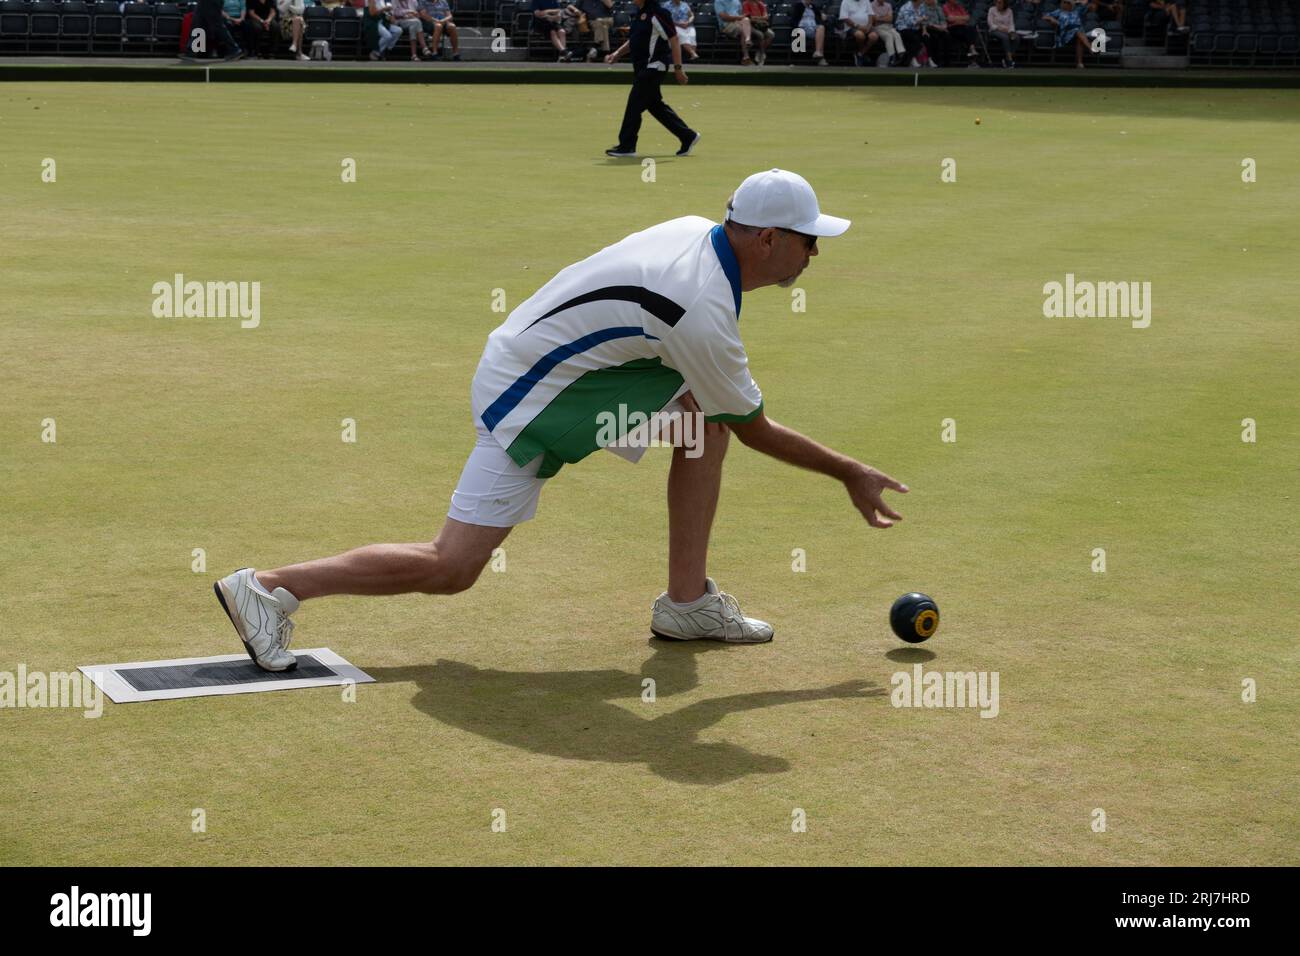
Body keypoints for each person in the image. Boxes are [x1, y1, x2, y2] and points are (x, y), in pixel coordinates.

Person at [214, 169, 908, 669]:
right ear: (764, 239)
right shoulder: (699, 305)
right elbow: (758, 426)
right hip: (534, 392)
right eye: (808, 240)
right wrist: (848, 470)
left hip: (570, 369)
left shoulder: (700, 237)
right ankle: (271, 589)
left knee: (704, 420)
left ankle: (686, 603)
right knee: (454, 566)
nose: (814, 253)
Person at [605, 0, 699, 157]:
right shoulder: (640, 14)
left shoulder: (659, 13)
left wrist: (678, 69)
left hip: (654, 66)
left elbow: (674, 39)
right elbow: (635, 39)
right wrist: (617, 54)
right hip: (643, 68)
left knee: (634, 104)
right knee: (655, 106)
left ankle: (627, 146)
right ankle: (688, 136)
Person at [1043, 0, 1090, 68]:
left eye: (1068, 2)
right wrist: (1051, 19)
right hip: (1064, 34)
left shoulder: (1077, 11)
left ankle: (1080, 63)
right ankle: (1090, 47)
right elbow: (1044, 16)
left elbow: (1086, 3)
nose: (1065, 4)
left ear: (1072, 4)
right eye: (1064, 2)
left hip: (1076, 35)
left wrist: (1078, 2)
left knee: (1079, 37)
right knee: (1077, 30)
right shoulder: (1059, 11)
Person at [714, 0, 758, 65]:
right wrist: (739, 18)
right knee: (745, 30)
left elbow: (741, 14)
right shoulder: (718, 1)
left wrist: (742, 18)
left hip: (738, 22)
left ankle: (747, 42)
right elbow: (724, 17)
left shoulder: (737, 1)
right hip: (727, 25)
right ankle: (746, 57)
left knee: (746, 20)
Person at [838, 0, 876, 66]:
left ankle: (860, 54)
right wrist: (858, 26)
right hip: (851, 27)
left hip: (867, 26)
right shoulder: (845, 1)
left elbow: (870, 15)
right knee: (860, 35)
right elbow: (845, 18)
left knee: (874, 36)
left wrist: (869, 26)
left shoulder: (866, 1)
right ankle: (862, 55)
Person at [940, 0, 978, 64]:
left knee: (971, 29)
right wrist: (961, 19)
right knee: (968, 33)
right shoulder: (945, 7)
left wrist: (956, 19)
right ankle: (972, 50)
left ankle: (971, 50)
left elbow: (968, 18)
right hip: (951, 29)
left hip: (962, 28)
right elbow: (949, 19)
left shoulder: (959, 7)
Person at [791, 0, 828, 65]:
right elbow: (794, 19)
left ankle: (818, 52)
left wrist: (822, 15)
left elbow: (819, 15)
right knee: (820, 33)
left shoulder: (812, 6)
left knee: (821, 28)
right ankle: (821, 59)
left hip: (813, 28)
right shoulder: (798, 5)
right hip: (802, 28)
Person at [740, 0, 777, 64]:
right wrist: (760, 18)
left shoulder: (760, 4)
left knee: (771, 34)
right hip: (750, 25)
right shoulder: (746, 4)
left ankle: (759, 52)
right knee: (760, 35)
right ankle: (761, 56)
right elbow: (748, 18)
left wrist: (756, 18)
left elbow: (766, 17)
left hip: (761, 25)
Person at [869, 0, 904, 65]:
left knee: (897, 34)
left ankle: (901, 54)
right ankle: (892, 57)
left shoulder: (888, 5)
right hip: (878, 27)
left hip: (889, 26)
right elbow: (874, 19)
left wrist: (880, 18)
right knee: (889, 36)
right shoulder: (872, 5)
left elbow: (890, 19)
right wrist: (885, 18)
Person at [917, 0, 947, 66]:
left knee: (947, 36)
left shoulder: (938, 8)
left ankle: (946, 61)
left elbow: (943, 20)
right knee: (933, 37)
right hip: (927, 28)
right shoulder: (922, 8)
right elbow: (923, 21)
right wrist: (935, 26)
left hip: (939, 28)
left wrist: (943, 26)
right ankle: (934, 60)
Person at [894, 0, 924, 65]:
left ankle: (909, 60)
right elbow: (910, 23)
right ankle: (910, 59)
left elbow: (925, 18)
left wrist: (922, 21)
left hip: (915, 28)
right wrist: (922, 19)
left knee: (927, 37)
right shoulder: (907, 7)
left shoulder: (921, 6)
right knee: (915, 40)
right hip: (903, 28)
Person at [986, 0, 1016, 66]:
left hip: (1007, 31)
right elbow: (990, 23)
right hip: (994, 30)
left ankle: (1007, 58)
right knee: (1005, 37)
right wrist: (999, 28)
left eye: (1000, 3)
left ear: (1004, 4)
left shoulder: (1009, 11)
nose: (997, 4)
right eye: (996, 2)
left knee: (1016, 38)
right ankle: (1009, 60)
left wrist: (1011, 32)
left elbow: (1011, 23)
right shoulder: (992, 9)